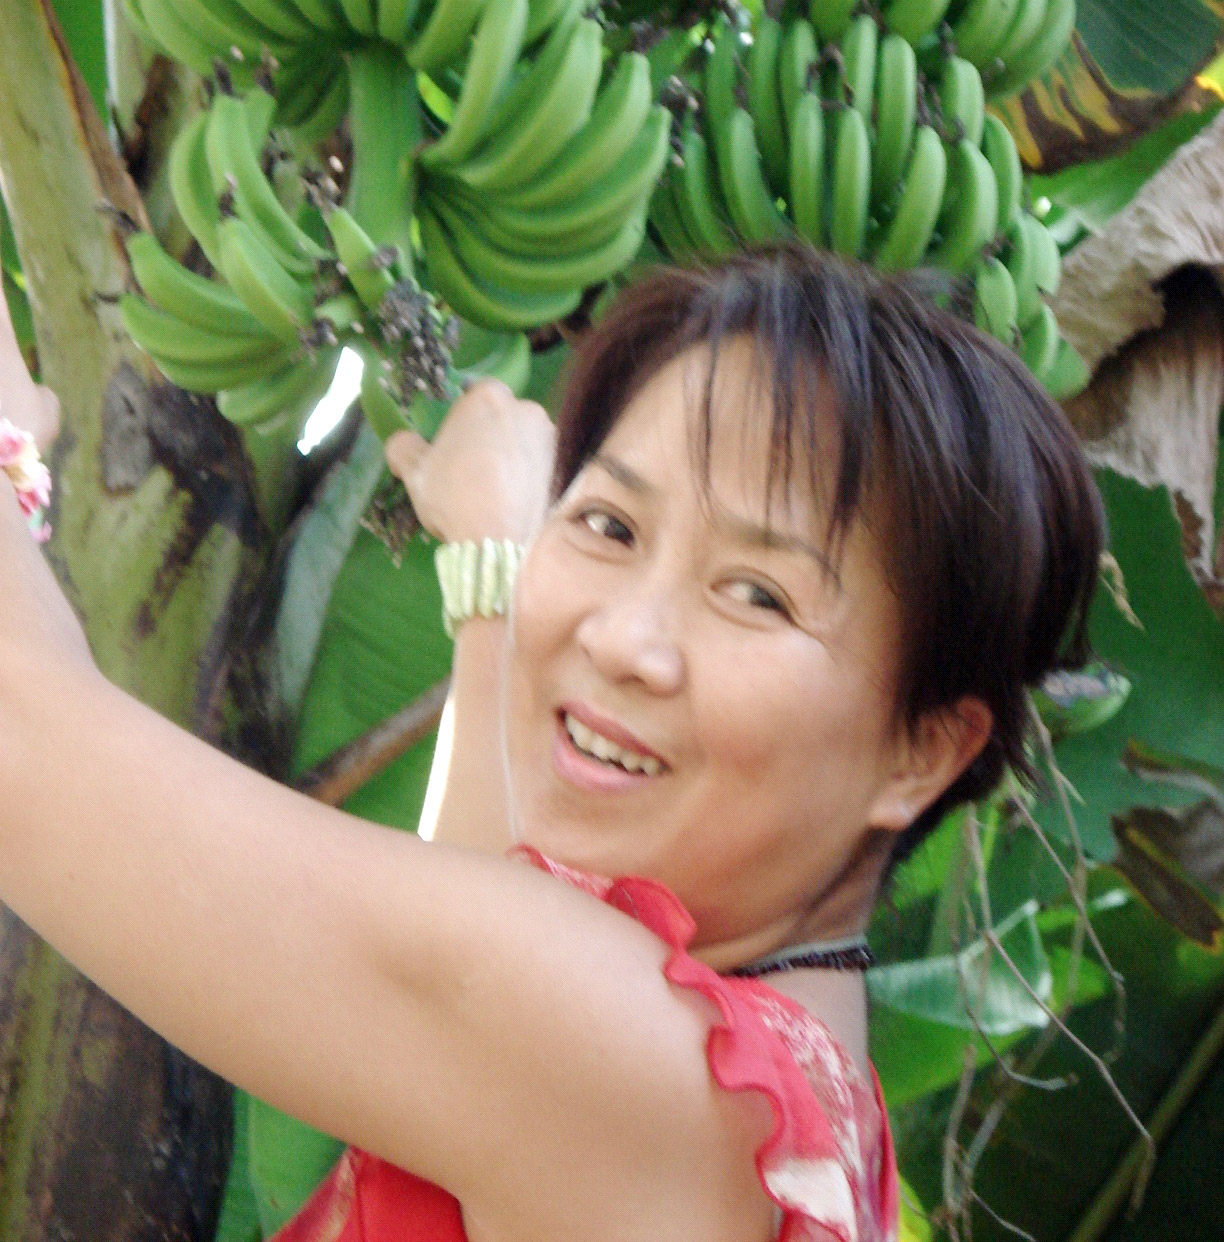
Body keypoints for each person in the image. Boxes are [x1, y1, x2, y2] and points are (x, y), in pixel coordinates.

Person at [0, 243, 1104, 1242]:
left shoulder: (616, 1060)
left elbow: (23, 750)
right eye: (610, 525)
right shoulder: (784, 1098)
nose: (623, 639)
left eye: (757, 595)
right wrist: (494, 575)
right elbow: (491, 908)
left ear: (921, 752)